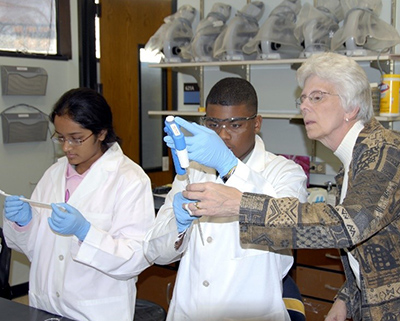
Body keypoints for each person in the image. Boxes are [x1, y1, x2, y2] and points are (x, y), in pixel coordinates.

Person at [180, 52, 400, 321]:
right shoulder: (353, 165)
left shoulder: (385, 151)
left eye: (317, 97)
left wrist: (241, 204)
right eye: (303, 99)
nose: (305, 106)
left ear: (351, 107)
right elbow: (378, 248)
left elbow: (348, 225)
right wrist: (347, 296)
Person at [144, 77, 308, 321]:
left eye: (235, 125)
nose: (223, 136)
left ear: (256, 123)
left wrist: (229, 167)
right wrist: (177, 227)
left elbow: (284, 223)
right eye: (213, 124)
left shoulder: (285, 173)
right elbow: (154, 253)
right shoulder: (192, 171)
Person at [3, 88, 155, 321]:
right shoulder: (54, 173)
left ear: (101, 133)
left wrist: (86, 232)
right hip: (45, 303)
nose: (66, 148)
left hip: (95, 310)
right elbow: (35, 248)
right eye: (61, 138)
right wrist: (24, 224)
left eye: (76, 138)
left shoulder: (130, 179)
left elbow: (135, 258)